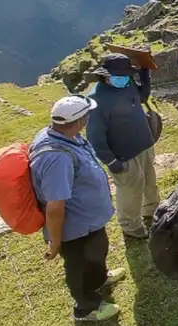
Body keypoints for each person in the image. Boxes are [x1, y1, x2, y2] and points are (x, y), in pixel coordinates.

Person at [30, 95, 125, 322]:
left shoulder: (66, 136)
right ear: (80, 121)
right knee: (79, 265)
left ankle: (100, 279)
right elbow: (55, 206)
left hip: (89, 220)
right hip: (75, 227)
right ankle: (86, 307)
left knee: (97, 250)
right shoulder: (56, 158)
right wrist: (55, 241)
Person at [86, 53, 159, 239]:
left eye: (126, 76)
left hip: (143, 144)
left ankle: (152, 212)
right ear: (105, 75)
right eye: (119, 76)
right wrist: (110, 161)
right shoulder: (96, 100)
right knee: (130, 191)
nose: (123, 79)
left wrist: (144, 73)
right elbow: (95, 136)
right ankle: (131, 227)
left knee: (149, 183)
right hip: (124, 154)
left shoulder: (127, 84)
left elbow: (142, 97)